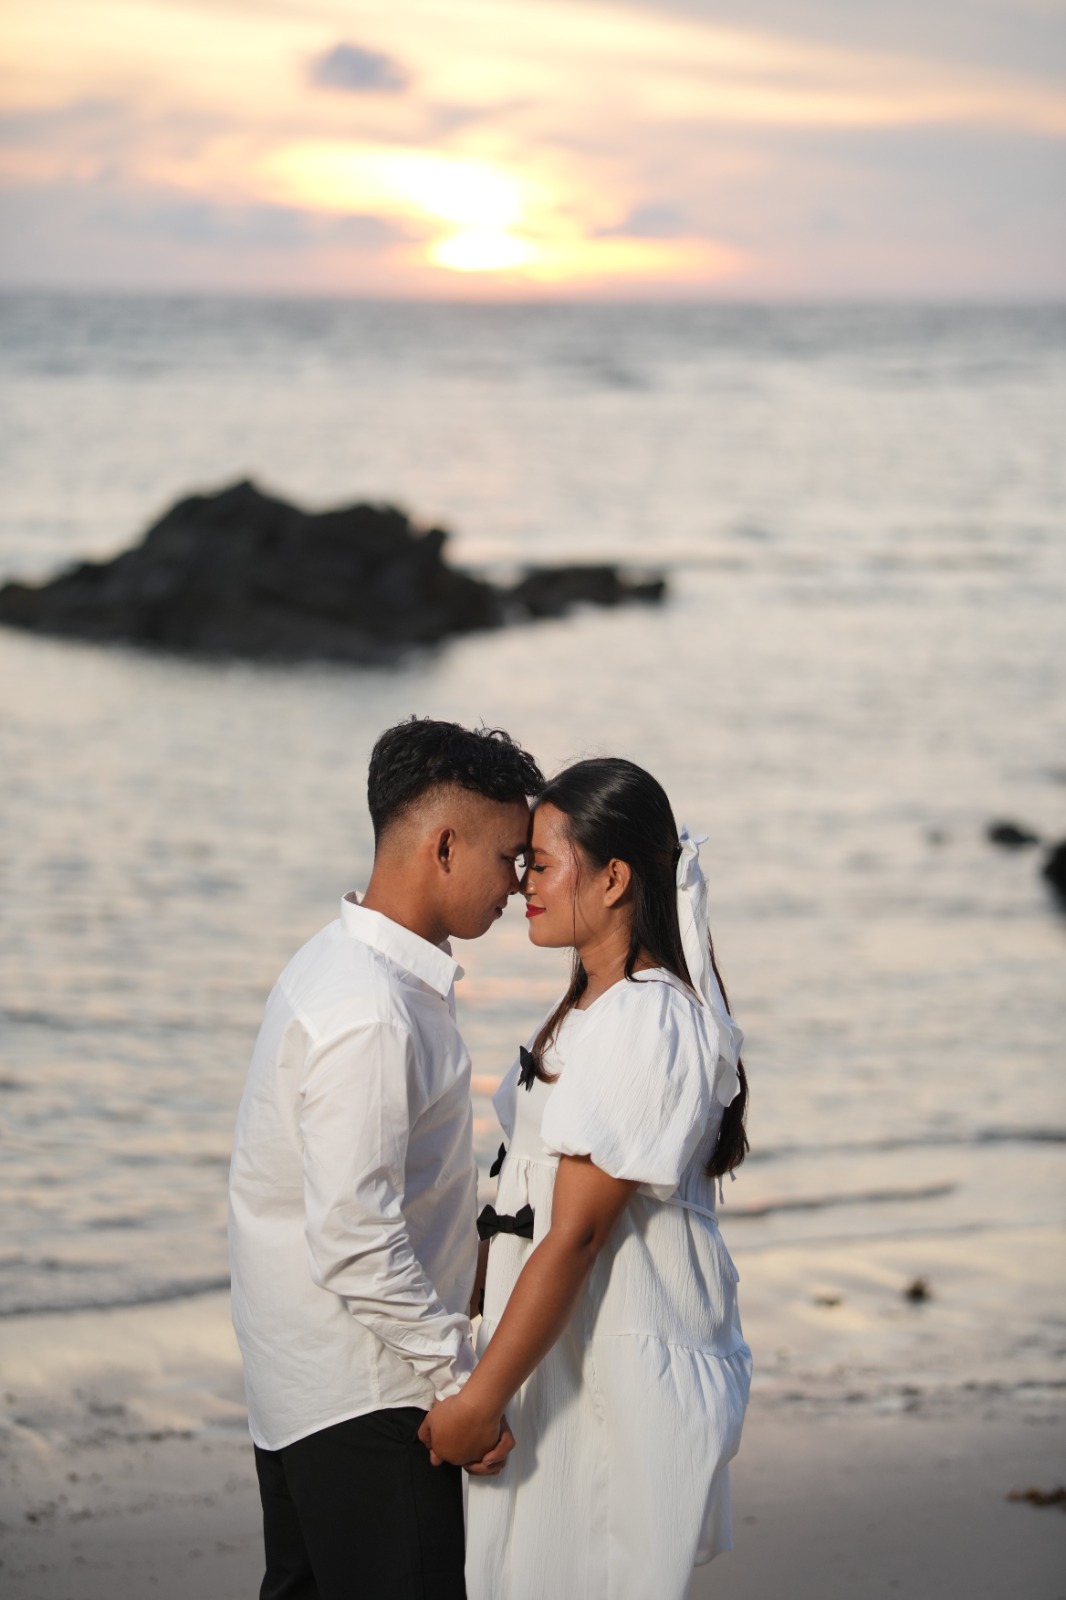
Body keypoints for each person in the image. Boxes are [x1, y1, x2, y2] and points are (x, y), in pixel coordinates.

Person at [420, 757, 753, 1600]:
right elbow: (528, 1201)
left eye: (541, 862)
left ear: (613, 878)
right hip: (562, 1357)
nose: (522, 881)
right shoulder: (595, 1005)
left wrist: (480, 1400)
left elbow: (575, 1235)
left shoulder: (645, 1017)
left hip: (605, 1378)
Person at [228, 717, 543, 1600]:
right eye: (510, 857)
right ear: (444, 848)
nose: (518, 884)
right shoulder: (371, 1009)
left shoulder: (339, 965)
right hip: (369, 1398)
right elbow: (354, 1239)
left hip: (308, 1391)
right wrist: (464, 1383)